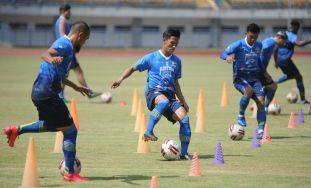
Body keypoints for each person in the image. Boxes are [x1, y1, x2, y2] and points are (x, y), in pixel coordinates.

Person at [4, 21, 91, 182]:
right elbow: (45, 54)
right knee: (71, 131)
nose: (83, 43)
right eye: (84, 40)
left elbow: (60, 76)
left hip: (40, 92)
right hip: (48, 93)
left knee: (54, 125)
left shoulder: (66, 46)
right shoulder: (65, 45)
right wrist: (52, 60)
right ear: (80, 35)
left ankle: (16, 130)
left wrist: (76, 87)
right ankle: (70, 173)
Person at [111, 29, 192, 160]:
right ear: (164, 40)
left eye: (176, 43)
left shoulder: (177, 61)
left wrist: (183, 101)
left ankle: (184, 153)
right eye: (172, 42)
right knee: (163, 102)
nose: (174, 46)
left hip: (170, 96)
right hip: (154, 93)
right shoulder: (151, 57)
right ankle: (148, 131)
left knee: (185, 119)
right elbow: (133, 68)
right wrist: (120, 79)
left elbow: (176, 83)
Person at [220, 23, 266, 139]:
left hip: (255, 78)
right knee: (248, 91)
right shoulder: (238, 44)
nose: (253, 39)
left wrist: (265, 72)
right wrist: (228, 57)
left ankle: (261, 131)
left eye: (255, 37)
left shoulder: (259, 45)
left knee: (261, 101)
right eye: (251, 37)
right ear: (246, 34)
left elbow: (258, 60)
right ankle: (241, 115)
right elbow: (222, 53)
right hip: (240, 78)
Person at [55, 4, 101, 102]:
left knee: (68, 73)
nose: (70, 13)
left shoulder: (63, 21)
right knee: (71, 72)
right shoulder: (62, 21)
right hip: (66, 51)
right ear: (64, 11)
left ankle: (61, 96)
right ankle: (87, 92)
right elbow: (62, 36)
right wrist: (70, 47)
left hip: (67, 50)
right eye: (69, 11)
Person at [274, 20, 311, 104]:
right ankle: (303, 100)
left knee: (291, 76)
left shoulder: (284, 34)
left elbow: (276, 48)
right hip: (286, 60)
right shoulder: (292, 36)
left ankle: (273, 83)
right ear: (297, 27)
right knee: (298, 77)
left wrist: (276, 61)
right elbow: (299, 44)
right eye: (297, 27)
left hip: (280, 60)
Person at [260, 31, 288, 110]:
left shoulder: (273, 43)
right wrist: (264, 72)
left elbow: (275, 51)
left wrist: (275, 62)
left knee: (267, 87)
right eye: (283, 41)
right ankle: (263, 108)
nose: (283, 43)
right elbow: (259, 50)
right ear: (279, 38)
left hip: (260, 69)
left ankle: (258, 105)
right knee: (273, 87)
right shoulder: (271, 42)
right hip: (259, 70)